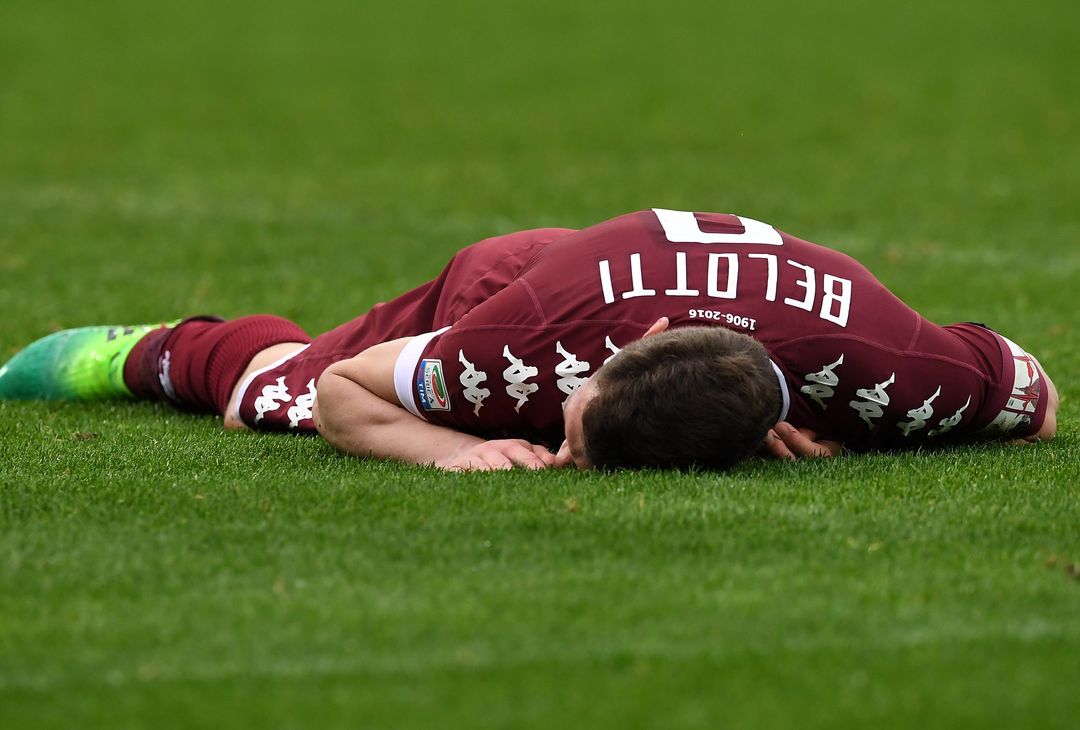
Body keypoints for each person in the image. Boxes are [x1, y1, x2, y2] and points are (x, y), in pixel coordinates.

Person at [0, 209, 1059, 471]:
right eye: (577, 426)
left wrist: (824, 406)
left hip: (704, 311)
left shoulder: (899, 374)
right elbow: (349, 399)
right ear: (611, 360)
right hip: (523, 278)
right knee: (271, 397)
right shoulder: (518, 354)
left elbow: (1038, 398)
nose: (560, 444)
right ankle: (152, 348)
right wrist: (456, 449)